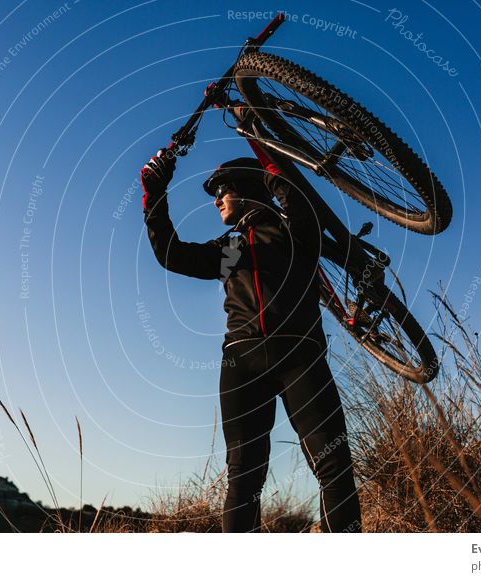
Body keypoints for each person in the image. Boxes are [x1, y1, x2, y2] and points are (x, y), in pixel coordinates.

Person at [140, 143, 362, 533]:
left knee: (334, 466)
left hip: (299, 356)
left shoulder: (295, 229)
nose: (215, 202)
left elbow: (289, 187)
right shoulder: (229, 248)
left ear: (244, 188)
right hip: (242, 363)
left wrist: (257, 134)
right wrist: (155, 195)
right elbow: (172, 254)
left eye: (221, 191)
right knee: (245, 478)